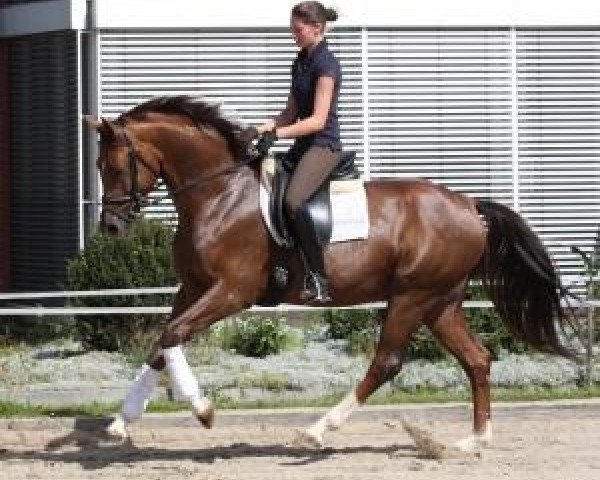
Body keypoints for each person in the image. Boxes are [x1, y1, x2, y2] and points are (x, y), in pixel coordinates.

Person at [246, 1, 342, 304]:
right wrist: (257, 129)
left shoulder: (327, 65)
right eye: (292, 31)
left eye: (298, 30)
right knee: (262, 185)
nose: (294, 36)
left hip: (323, 146)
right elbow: (289, 114)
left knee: (293, 200)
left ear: (317, 28)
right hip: (302, 145)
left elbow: (317, 120)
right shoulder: (299, 62)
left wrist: (278, 135)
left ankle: (319, 278)